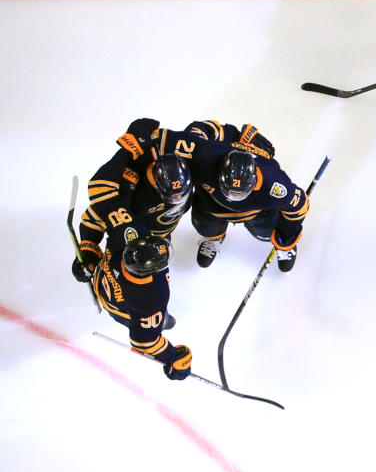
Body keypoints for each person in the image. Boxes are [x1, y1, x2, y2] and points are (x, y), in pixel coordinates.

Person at [149, 123, 310, 272]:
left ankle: (285, 247)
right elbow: (163, 138)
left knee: (266, 232)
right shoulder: (205, 155)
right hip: (211, 204)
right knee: (206, 226)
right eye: (230, 190)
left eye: (239, 193)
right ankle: (214, 238)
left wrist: (286, 237)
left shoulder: (275, 184)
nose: (233, 197)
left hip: (256, 211)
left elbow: (300, 205)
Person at [71, 118, 193, 284]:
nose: (177, 200)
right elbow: (96, 217)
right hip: (132, 245)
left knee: (156, 285)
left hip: (160, 240)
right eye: (172, 196)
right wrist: (88, 252)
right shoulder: (130, 191)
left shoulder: (185, 170)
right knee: (129, 284)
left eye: (181, 195)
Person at [90, 234, 192, 381]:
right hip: (122, 308)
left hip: (103, 279)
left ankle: (152, 321)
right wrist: (174, 358)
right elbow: (144, 341)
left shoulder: (125, 231)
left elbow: (99, 213)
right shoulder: (151, 299)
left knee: (151, 316)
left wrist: (88, 249)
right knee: (153, 321)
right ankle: (153, 321)